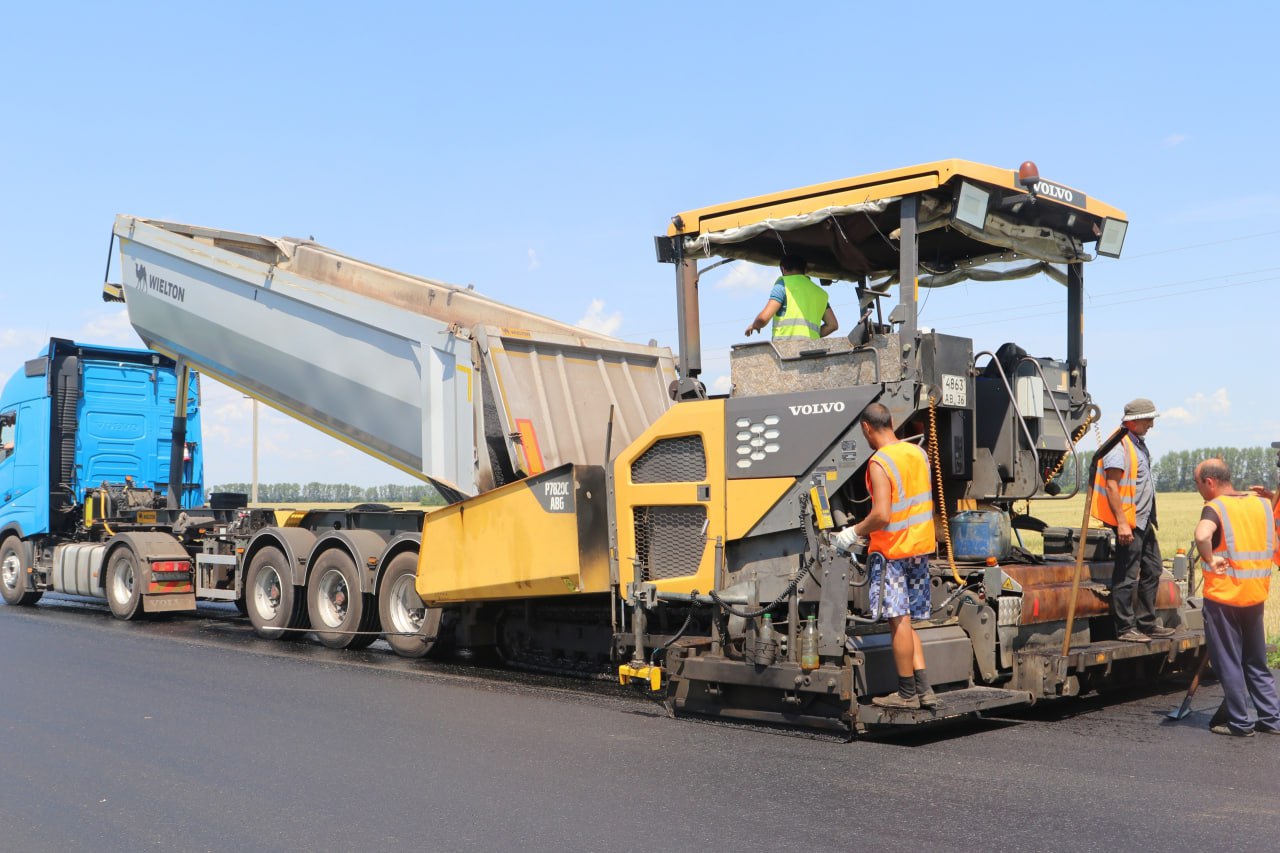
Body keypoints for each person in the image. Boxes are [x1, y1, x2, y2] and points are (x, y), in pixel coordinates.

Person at [833, 403, 937, 709]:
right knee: (908, 622)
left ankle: (906, 695)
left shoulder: (879, 463)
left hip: (892, 551)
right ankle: (924, 690)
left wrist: (853, 532)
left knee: (898, 621)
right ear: (891, 422)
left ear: (866, 428)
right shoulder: (918, 454)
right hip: (918, 548)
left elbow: (880, 515)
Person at [1191, 457, 1280, 737]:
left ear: (1210, 482)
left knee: (1228, 660)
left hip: (1224, 596)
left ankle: (1239, 723)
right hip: (1255, 594)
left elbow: (1202, 535)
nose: (1199, 490)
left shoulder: (1215, 507)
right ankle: (1271, 719)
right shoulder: (1261, 504)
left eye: (1198, 484)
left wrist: (1210, 558)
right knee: (1255, 660)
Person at [1091, 397, 1174, 643]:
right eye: (1148, 419)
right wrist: (1122, 523)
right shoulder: (1119, 445)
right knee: (1126, 575)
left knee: (1153, 568)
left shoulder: (1136, 443)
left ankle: (1147, 623)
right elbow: (1113, 486)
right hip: (1129, 522)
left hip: (1142, 521)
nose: (1151, 424)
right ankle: (1126, 628)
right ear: (1135, 421)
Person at [743, 254, 838, 339]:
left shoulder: (783, 284)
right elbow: (832, 325)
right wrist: (812, 337)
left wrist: (755, 325)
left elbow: (762, 319)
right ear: (805, 270)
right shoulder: (820, 293)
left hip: (786, 351)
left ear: (783, 269)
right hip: (813, 351)